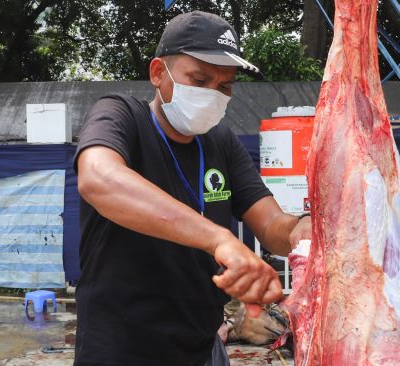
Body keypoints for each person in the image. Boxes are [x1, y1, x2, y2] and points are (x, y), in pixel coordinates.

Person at [74, 11, 310, 366]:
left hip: (201, 347)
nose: (212, 94)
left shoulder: (221, 143)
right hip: (120, 347)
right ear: (158, 73)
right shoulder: (121, 116)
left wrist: (301, 229)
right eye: (199, 79)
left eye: (225, 86)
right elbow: (98, 178)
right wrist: (220, 240)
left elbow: (271, 224)